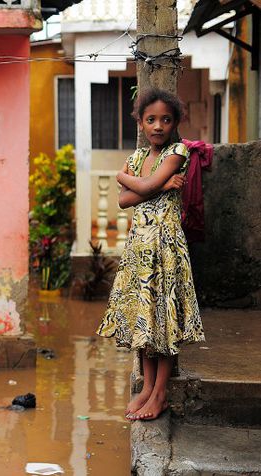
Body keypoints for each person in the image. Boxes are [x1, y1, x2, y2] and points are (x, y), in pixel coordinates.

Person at [96, 88, 205, 421]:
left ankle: (160, 394)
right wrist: (152, 184)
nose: (158, 125)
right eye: (151, 119)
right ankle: (145, 387)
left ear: (174, 124)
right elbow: (123, 201)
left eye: (166, 120)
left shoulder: (177, 151)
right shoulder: (138, 158)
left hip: (166, 247)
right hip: (140, 247)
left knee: (164, 318)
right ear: (141, 123)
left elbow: (139, 189)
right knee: (144, 317)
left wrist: (123, 177)